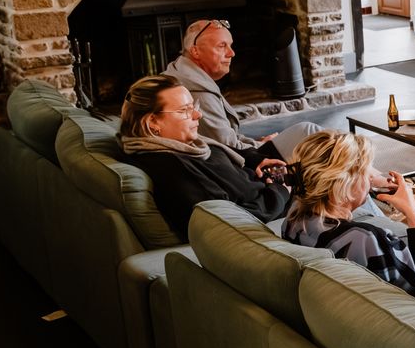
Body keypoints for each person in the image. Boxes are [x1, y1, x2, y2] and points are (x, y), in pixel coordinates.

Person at [119, 74, 290, 238]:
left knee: (304, 132)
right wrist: (279, 193)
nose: (197, 115)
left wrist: (256, 159)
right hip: (275, 208)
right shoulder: (172, 168)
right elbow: (224, 221)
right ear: (153, 122)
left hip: (265, 181)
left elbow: (220, 150)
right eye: (184, 110)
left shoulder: (181, 144)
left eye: (193, 106)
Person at [280, 131, 415, 302]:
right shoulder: (367, 239)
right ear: (344, 184)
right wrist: (412, 213)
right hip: (413, 304)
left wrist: (371, 181)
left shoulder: (293, 219)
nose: (371, 176)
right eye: (366, 171)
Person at [165, 18, 319, 162]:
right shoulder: (196, 93)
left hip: (234, 155)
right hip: (241, 163)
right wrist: (260, 145)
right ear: (195, 51)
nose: (231, 53)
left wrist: (255, 142)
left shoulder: (180, 73)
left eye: (230, 45)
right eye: (222, 46)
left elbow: (225, 139)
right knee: (309, 132)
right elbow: (229, 147)